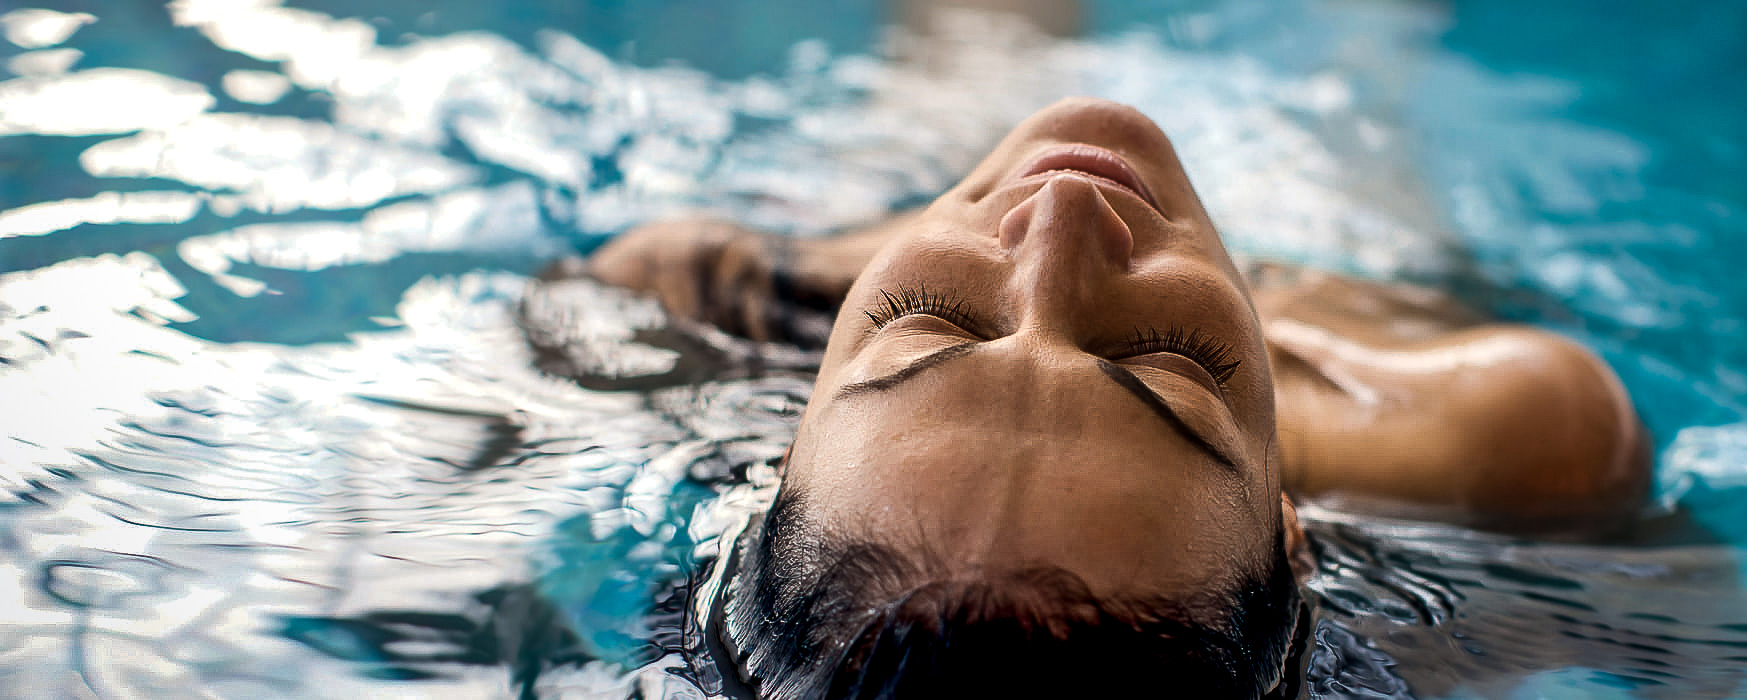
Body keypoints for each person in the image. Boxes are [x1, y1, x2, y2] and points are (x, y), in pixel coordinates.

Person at [583, 98, 1649, 699]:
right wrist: (919, 286)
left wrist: (842, 267)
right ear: (1292, 533)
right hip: (1340, 264)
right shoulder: (1509, 442)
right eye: (1171, 359)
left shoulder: (702, 313)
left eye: (928, 319)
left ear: (776, 462)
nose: (1064, 218)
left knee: (956, 70)